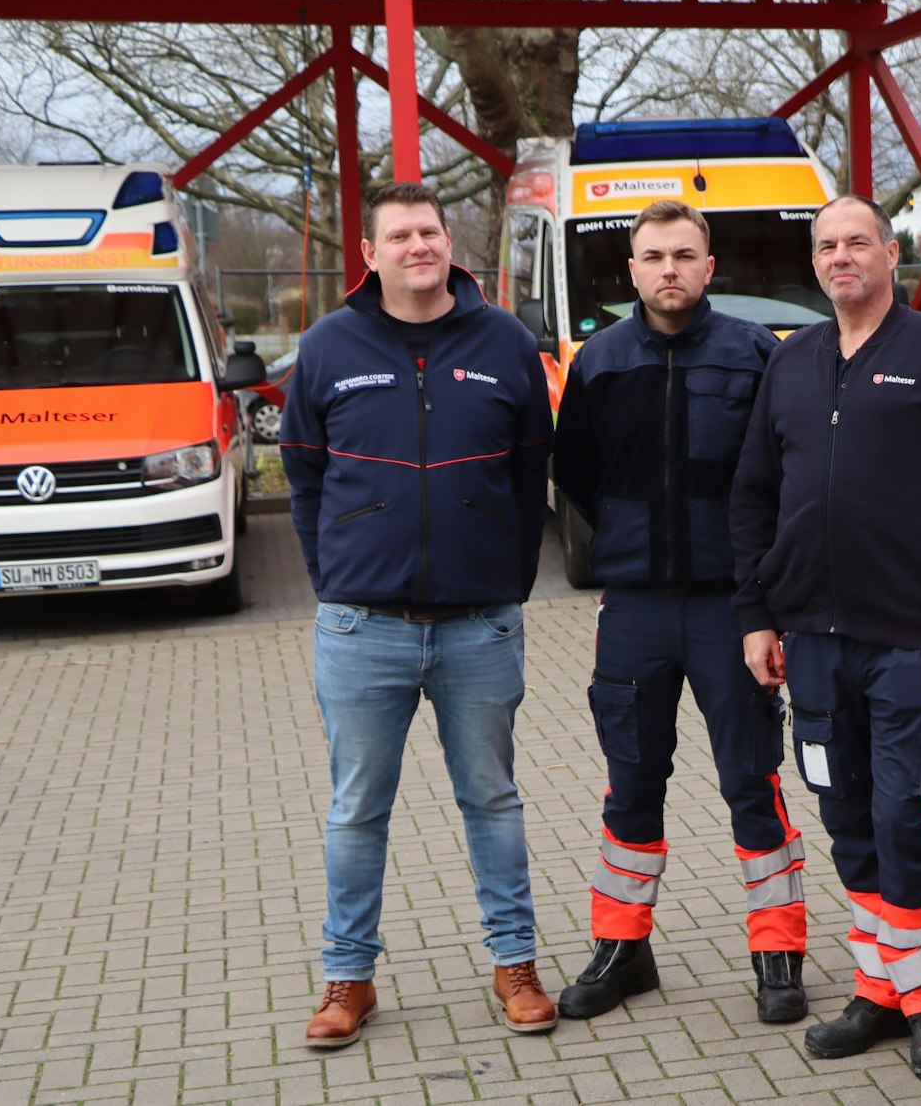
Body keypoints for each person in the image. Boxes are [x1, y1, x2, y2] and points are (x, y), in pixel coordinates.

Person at [729, 195, 921, 1077]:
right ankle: (879, 985)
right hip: (809, 636)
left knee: (900, 809)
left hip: (905, 636)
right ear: (814, 264)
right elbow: (750, 497)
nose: (841, 256)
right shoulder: (793, 360)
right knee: (842, 806)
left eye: (858, 241)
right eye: (826, 245)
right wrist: (757, 615)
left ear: (893, 253)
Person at [280, 181, 557, 1048]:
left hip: (481, 624)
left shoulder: (506, 341)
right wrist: (339, 580)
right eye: (398, 234)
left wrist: (505, 584)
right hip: (365, 629)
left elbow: (529, 472)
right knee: (357, 808)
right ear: (371, 252)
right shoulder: (328, 346)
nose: (417, 246)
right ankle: (347, 978)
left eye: (429, 231)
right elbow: (302, 476)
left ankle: (514, 964)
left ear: (449, 241)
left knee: (494, 798)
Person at [551, 200, 809, 1023]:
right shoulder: (599, 362)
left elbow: (782, 479)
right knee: (631, 783)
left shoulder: (754, 356)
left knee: (751, 780)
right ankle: (623, 950)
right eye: (653, 255)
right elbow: (578, 473)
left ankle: (778, 953)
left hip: (733, 609)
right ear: (631, 271)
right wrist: (631, 538)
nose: (669, 269)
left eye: (684, 255)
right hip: (633, 608)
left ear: (709, 265)